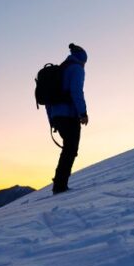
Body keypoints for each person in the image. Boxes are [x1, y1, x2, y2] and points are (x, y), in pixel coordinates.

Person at [46, 43, 88, 194]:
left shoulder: (61, 69)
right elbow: (76, 91)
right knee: (70, 148)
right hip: (69, 115)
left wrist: (52, 120)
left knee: (68, 148)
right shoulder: (76, 69)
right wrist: (82, 113)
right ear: (82, 59)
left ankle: (60, 182)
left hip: (57, 116)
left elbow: (49, 101)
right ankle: (60, 184)